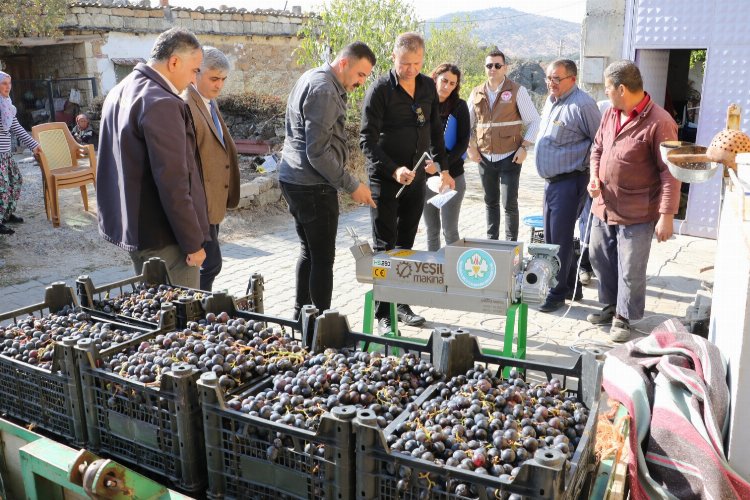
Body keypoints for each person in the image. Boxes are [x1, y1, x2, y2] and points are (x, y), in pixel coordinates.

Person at [97, 27, 210, 288]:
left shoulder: (119, 91)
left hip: (136, 229)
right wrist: (193, 242)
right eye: (194, 70)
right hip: (165, 237)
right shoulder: (161, 101)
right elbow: (173, 181)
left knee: (157, 313)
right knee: (180, 321)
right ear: (174, 62)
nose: (194, 80)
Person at [361, 32, 452, 330]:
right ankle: (383, 313)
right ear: (393, 59)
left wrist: (443, 168)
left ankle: (399, 304)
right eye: (405, 63)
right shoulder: (379, 91)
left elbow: (435, 130)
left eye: (416, 63)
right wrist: (393, 170)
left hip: (416, 180)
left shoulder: (427, 85)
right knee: (385, 246)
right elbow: (367, 140)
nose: (411, 69)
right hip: (386, 181)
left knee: (406, 245)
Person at [279, 41, 377, 318]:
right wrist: (352, 185)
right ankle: (321, 327)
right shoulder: (324, 89)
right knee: (322, 258)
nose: (360, 82)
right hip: (312, 186)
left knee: (310, 252)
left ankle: (302, 319)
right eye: (360, 74)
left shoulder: (313, 77)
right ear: (344, 63)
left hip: (296, 180)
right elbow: (317, 152)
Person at [587, 60, 680, 342]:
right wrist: (594, 177)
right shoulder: (611, 114)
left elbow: (671, 173)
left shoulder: (661, 122)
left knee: (630, 268)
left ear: (622, 89)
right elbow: (597, 148)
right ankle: (609, 305)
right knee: (599, 255)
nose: (606, 93)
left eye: (607, 88)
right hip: (604, 203)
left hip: (638, 210)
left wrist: (666, 215)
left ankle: (623, 317)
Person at [534, 59, 601, 313]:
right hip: (551, 182)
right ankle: (573, 284)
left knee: (556, 240)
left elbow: (599, 142)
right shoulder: (552, 101)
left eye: (556, 79)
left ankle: (557, 292)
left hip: (570, 180)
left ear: (573, 79)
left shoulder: (582, 104)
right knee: (556, 237)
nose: (551, 83)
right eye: (548, 78)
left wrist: (594, 176)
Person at [182, 47, 241, 292]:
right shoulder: (187, 103)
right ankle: (197, 309)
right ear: (197, 73)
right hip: (199, 202)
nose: (219, 85)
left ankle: (199, 309)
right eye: (214, 79)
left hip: (212, 201)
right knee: (210, 263)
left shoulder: (209, 102)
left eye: (223, 80)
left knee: (209, 264)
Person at [467, 49, 540, 242]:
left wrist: (524, 147)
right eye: (489, 65)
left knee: (509, 203)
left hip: (510, 155)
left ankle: (511, 245)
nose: (493, 69)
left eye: (497, 65)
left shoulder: (517, 91)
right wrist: (470, 146)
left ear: (505, 67)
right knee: (490, 202)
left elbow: (534, 120)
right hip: (484, 158)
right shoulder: (476, 93)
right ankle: (492, 243)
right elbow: (465, 124)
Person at [423, 63, 470, 251]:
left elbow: (462, 143)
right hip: (426, 178)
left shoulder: (459, 106)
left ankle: (455, 274)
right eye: (444, 81)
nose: (447, 87)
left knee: (450, 230)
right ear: (435, 78)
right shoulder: (422, 104)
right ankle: (433, 270)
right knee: (431, 230)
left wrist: (441, 167)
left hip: (453, 177)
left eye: (452, 83)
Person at [0, 71, 40, 235]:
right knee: (2, 188)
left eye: (9, 83)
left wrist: (34, 145)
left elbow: (17, 128)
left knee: (16, 181)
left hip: (6, 154)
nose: (8, 87)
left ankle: (6, 215)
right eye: (4, 83)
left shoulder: (8, 106)